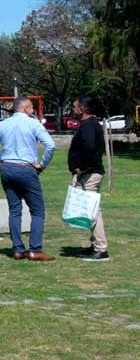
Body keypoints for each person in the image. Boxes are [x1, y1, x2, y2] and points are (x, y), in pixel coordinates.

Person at [0, 96, 56, 261]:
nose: (32, 111)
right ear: (26, 108)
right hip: (26, 168)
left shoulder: (2, 124)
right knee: (37, 211)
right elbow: (50, 145)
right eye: (31, 108)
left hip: (7, 168)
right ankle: (35, 249)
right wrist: (42, 164)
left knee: (15, 210)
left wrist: (0, 159)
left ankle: (17, 249)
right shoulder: (33, 124)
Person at [69, 96, 109, 261]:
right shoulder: (90, 125)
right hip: (89, 172)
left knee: (92, 211)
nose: (73, 109)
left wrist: (83, 167)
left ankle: (101, 248)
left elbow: (90, 147)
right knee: (91, 209)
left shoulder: (88, 126)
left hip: (89, 173)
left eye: (74, 106)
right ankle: (95, 245)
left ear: (83, 109)